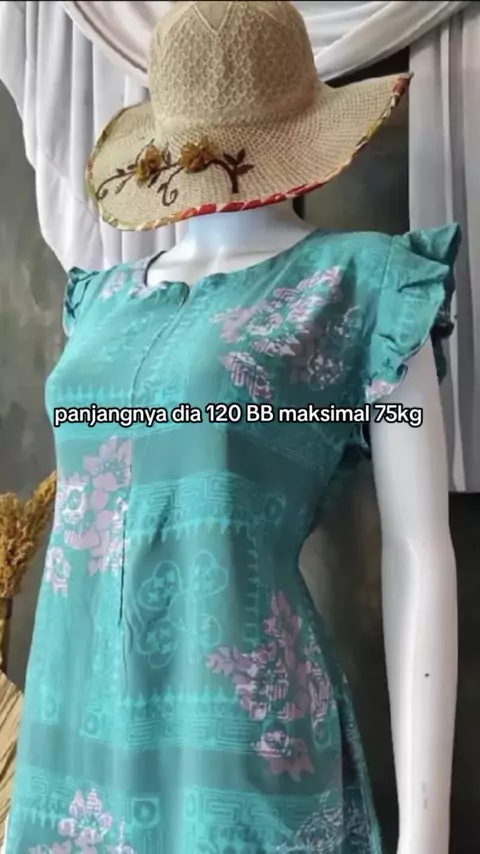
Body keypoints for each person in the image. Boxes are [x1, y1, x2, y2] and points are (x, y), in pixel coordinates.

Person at [5, 2, 459, 853]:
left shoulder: (357, 286)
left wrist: (425, 834)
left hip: (240, 753)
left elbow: (419, 551)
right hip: (71, 758)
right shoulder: (100, 301)